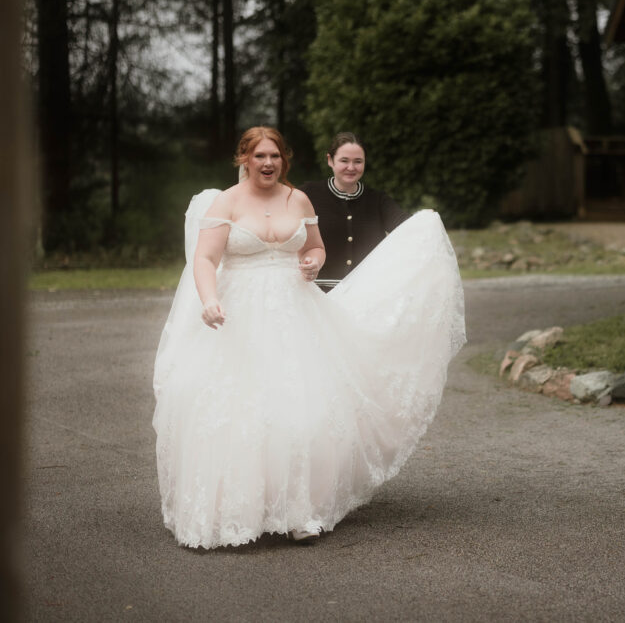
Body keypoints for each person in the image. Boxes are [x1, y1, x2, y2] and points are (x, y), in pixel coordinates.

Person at [152, 127, 465, 549]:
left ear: (285, 160)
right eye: (260, 155)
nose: (268, 163)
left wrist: (312, 263)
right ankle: (235, 513)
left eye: (276, 156)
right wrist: (208, 301)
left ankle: (298, 511)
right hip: (238, 314)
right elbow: (206, 259)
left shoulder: (296, 199)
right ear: (244, 158)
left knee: (304, 409)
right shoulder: (225, 201)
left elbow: (315, 246)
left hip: (295, 310)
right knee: (240, 411)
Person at [300, 132, 409, 284]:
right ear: (330, 160)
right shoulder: (307, 194)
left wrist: (425, 218)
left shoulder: (378, 200)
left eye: (358, 161)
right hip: (319, 294)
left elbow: (406, 226)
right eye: (344, 160)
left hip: (366, 292)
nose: (351, 167)